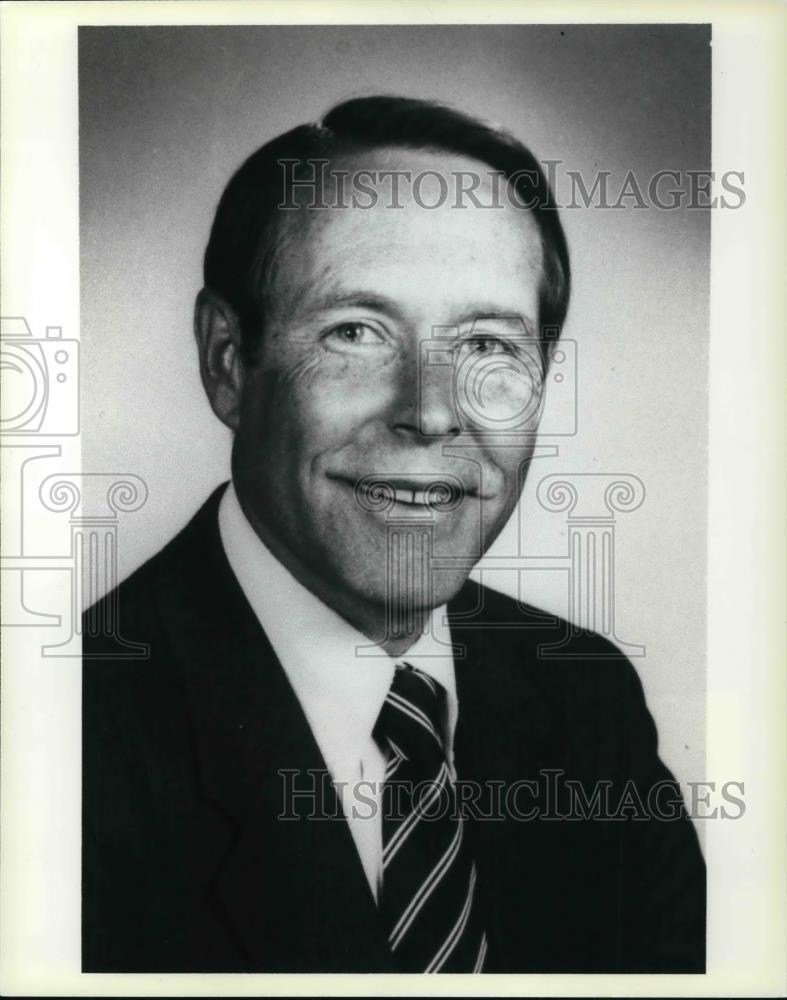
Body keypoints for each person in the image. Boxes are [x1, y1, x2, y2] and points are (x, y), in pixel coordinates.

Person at [82, 96, 705, 973]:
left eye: (489, 345)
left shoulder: (585, 701)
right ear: (228, 361)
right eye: (356, 332)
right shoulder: (60, 738)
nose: (430, 412)